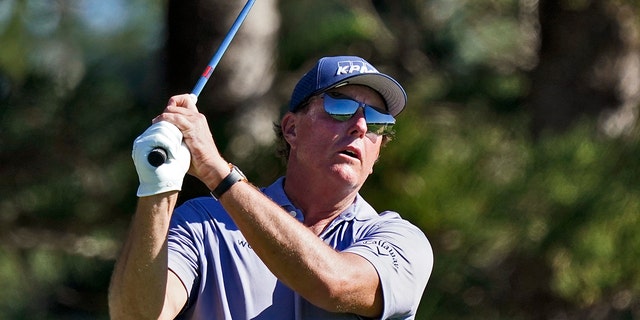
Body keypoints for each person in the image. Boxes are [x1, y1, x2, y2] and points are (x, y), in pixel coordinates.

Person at [109, 55, 433, 319]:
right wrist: (158, 184)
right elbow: (139, 316)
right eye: (340, 107)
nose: (360, 126)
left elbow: (335, 285)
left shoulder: (401, 240)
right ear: (292, 129)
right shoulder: (203, 223)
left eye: (377, 120)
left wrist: (217, 171)